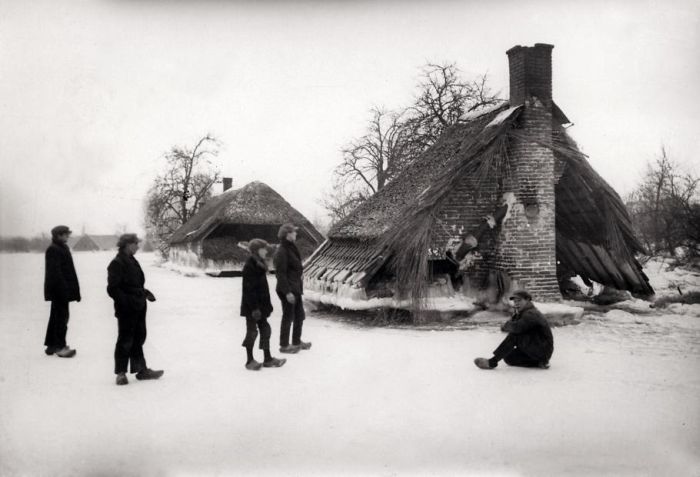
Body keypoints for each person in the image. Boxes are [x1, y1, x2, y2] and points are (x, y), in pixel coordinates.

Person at [107, 233, 163, 386]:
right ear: (127, 244)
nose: (138, 246)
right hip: (127, 308)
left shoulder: (132, 260)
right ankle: (120, 373)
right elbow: (113, 288)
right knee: (125, 340)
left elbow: (134, 284)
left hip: (138, 305)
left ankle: (141, 370)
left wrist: (144, 293)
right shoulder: (117, 263)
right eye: (135, 244)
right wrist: (126, 302)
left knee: (138, 338)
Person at [474, 290, 553, 370]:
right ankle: (539, 362)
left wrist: (506, 325)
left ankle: (492, 362)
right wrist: (515, 316)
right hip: (536, 349)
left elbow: (517, 327)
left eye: (519, 300)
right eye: (515, 301)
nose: (516, 303)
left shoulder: (532, 313)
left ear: (527, 300)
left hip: (542, 350)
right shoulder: (523, 312)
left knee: (515, 335)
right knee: (508, 357)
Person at [240, 239, 286, 370]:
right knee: (252, 332)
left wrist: (266, 306)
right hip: (252, 307)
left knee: (265, 330)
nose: (266, 251)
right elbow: (249, 290)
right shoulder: (250, 266)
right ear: (257, 250)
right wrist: (254, 308)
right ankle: (249, 361)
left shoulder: (259, 264)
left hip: (261, 306)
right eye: (264, 248)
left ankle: (268, 359)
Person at [43, 225, 80, 358]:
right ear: (58, 235)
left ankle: (52, 345)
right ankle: (59, 346)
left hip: (63, 290)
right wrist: (63, 291)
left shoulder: (62, 248)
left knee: (56, 317)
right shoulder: (53, 249)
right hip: (59, 291)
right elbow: (55, 273)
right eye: (65, 234)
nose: (68, 236)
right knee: (61, 319)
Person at [274, 223, 311, 354]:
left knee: (299, 315)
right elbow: (280, 274)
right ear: (287, 234)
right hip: (288, 289)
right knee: (288, 316)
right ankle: (284, 345)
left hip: (295, 287)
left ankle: (296, 341)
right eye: (294, 232)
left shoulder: (290, 247)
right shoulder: (282, 251)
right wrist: (287, 292)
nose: (296, 233)